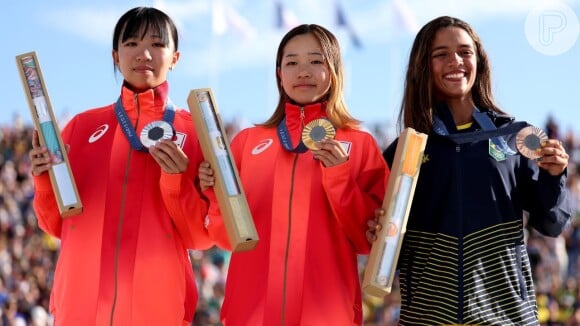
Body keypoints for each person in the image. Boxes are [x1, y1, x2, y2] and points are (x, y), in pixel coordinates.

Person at [367, 15, 572, 325]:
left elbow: (553, 224)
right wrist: (375, 229)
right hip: (428, 316)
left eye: (464, 51)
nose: (455, 61)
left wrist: (554, 177)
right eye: (441, 54)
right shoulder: (405, 150)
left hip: (506, 316)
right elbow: (384, 237)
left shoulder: (514, 138)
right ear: (424, 65)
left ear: (479, 60)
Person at [28, 7, 211, 325]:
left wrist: (176, 182)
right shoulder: (81, 128)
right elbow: (56, 223)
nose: (144, 53)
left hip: (157, 308)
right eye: (131, 44)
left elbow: (201, 236)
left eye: (157, 44)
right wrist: (44, 179)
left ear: (175, 57)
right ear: (115, 56)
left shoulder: (195, 133)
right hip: (79, 307)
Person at [198, 24, 388, 325]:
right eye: (292, 62)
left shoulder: (359, 144)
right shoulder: (246, 142)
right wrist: (212, 190)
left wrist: (339, 177)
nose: (303, 71)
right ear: (279, 73)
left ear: (335, 70)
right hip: (251, 312)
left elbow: (368, 240)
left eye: (316, 61)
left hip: (327, 313)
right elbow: (223, 235)